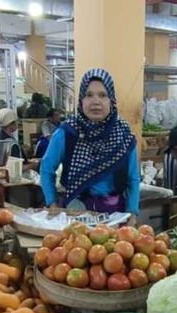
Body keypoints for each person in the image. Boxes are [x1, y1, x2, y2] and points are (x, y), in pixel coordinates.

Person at [39, 68, 140, 216]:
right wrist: (52, 203)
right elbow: (46, 169)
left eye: (103, 95)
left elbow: (133, 179)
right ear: (81, 99)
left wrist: (133, 213)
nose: (96, 101)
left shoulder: (124, 136)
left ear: (111, 100)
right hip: (76, 211)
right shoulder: (67, 133)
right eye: (89, 95)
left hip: (115, 214)